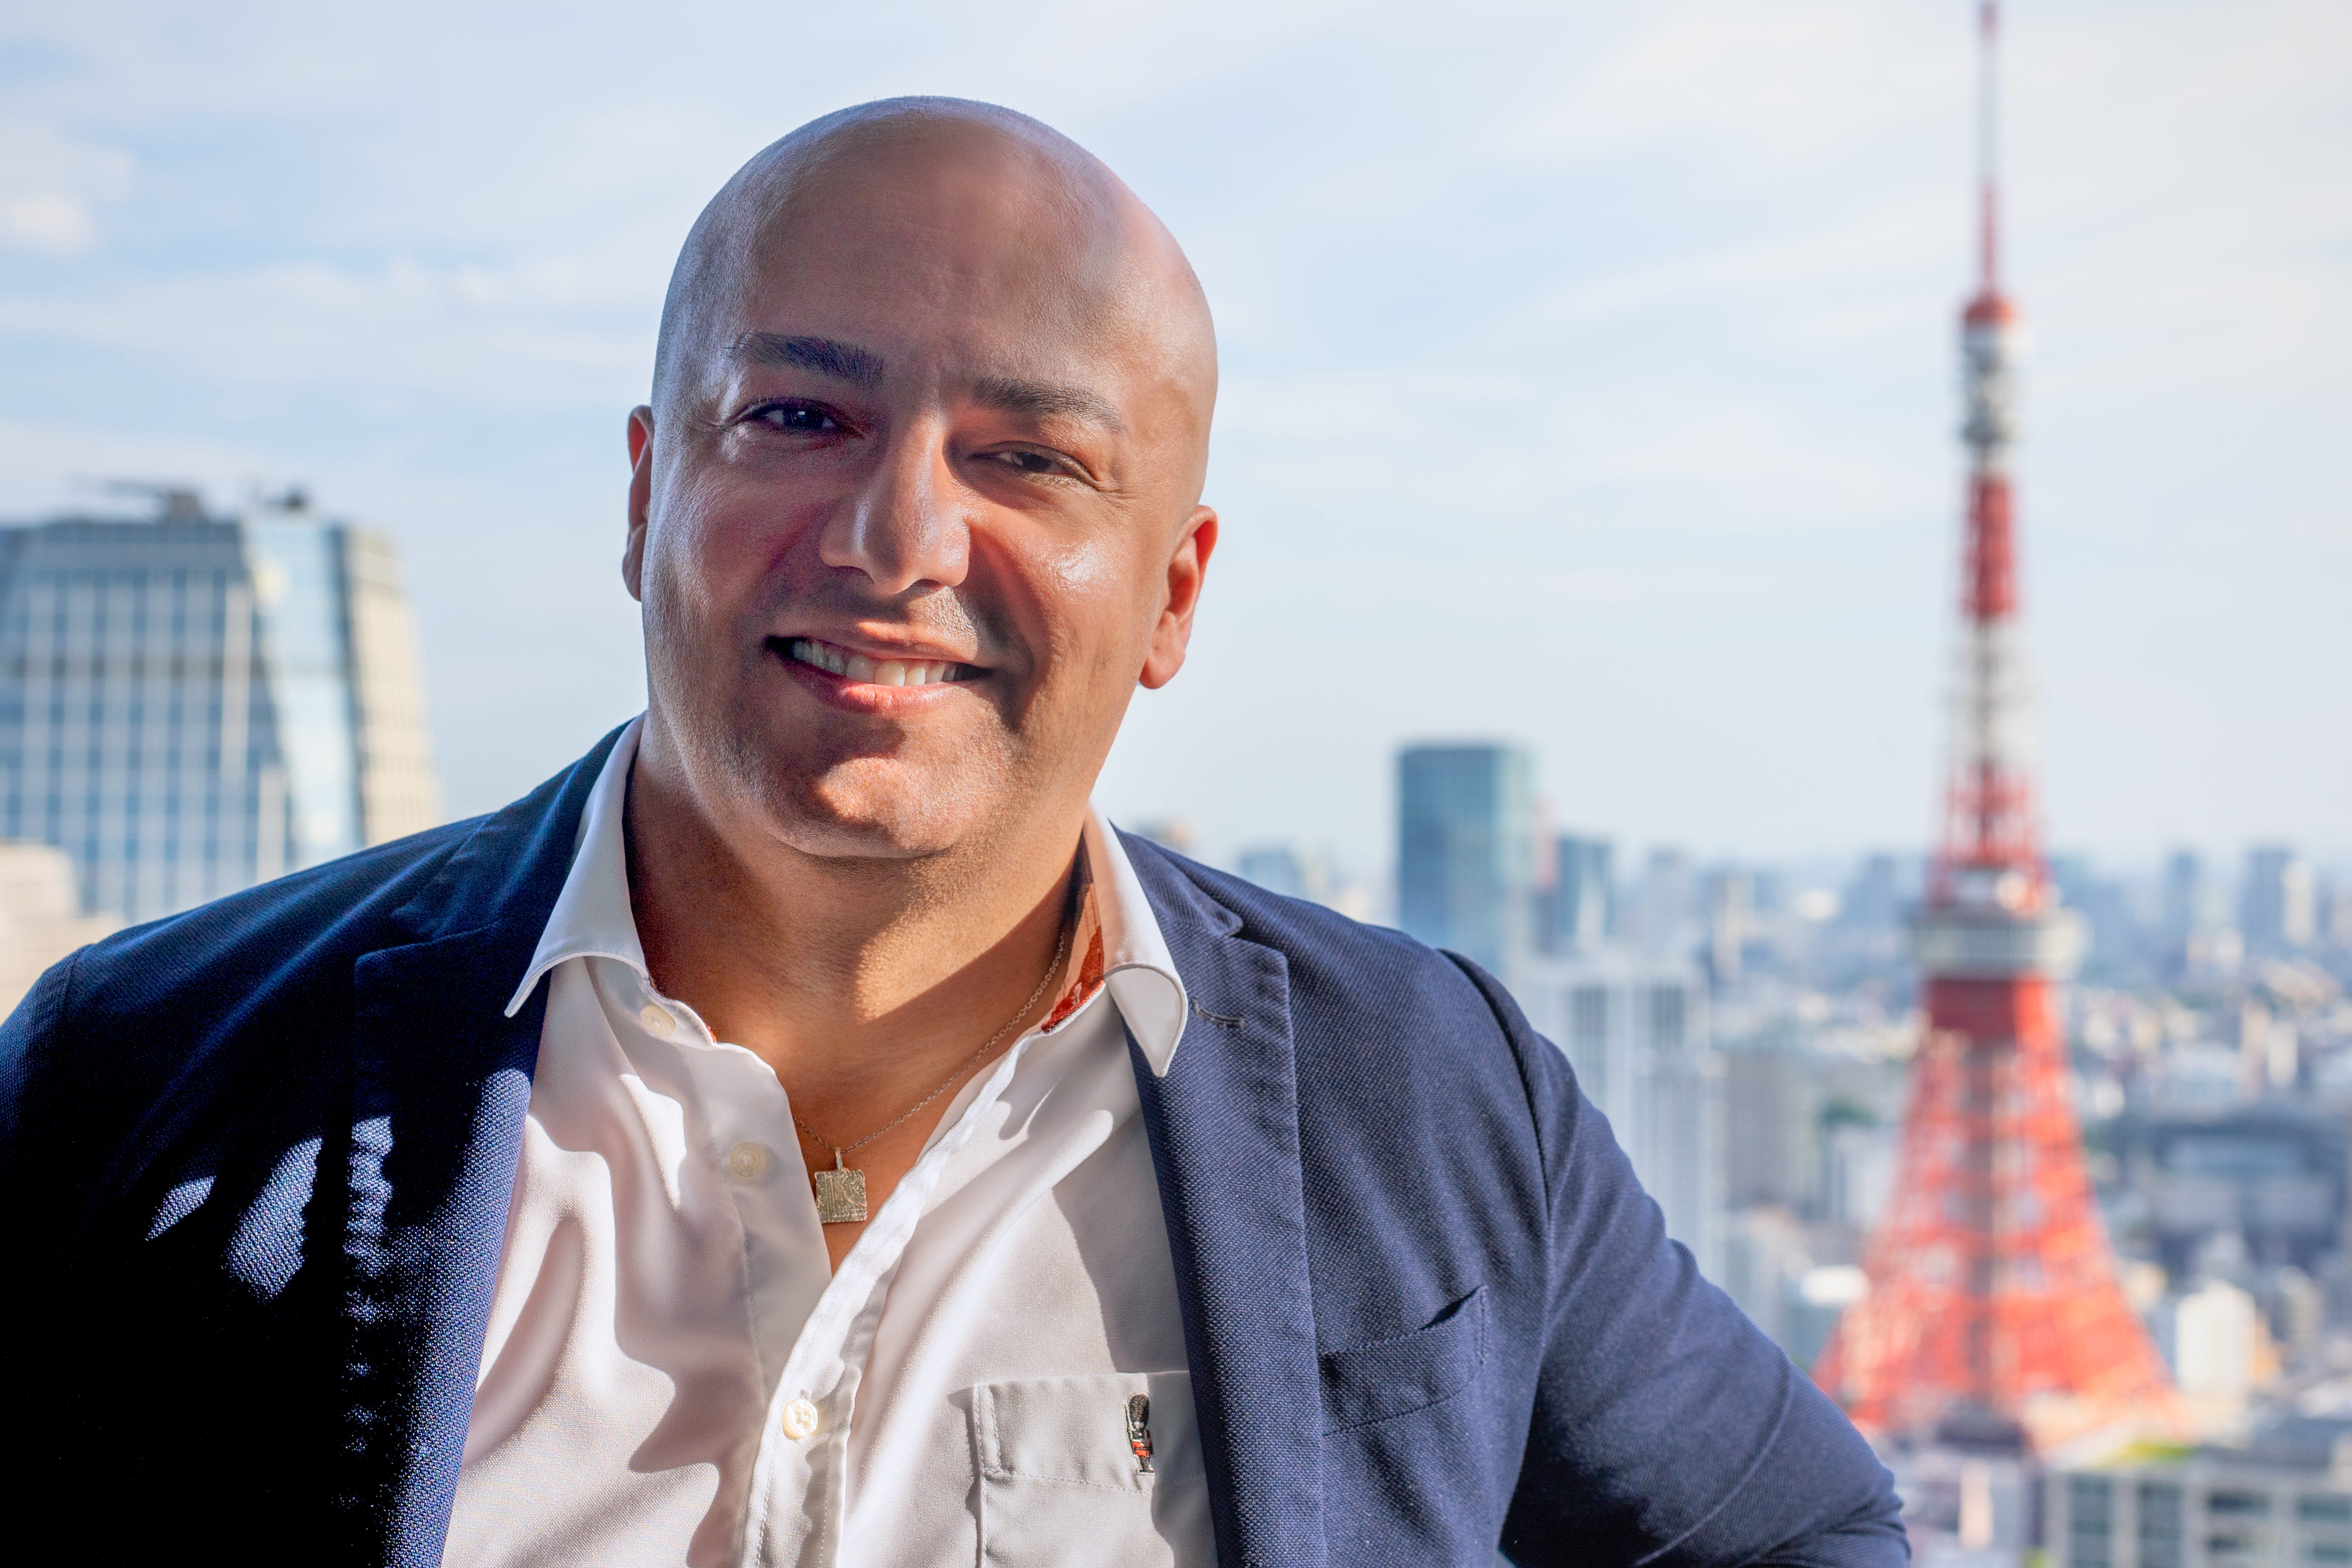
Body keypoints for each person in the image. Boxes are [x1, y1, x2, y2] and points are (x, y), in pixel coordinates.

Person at [0, 100, 1905, 1566]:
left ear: (1173, 595)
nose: (896, 539)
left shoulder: (1422, 1090)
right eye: (803, 412)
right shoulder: (142, 1075)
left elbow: (1800, 1531)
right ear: (651, 487)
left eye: (1029, 457)